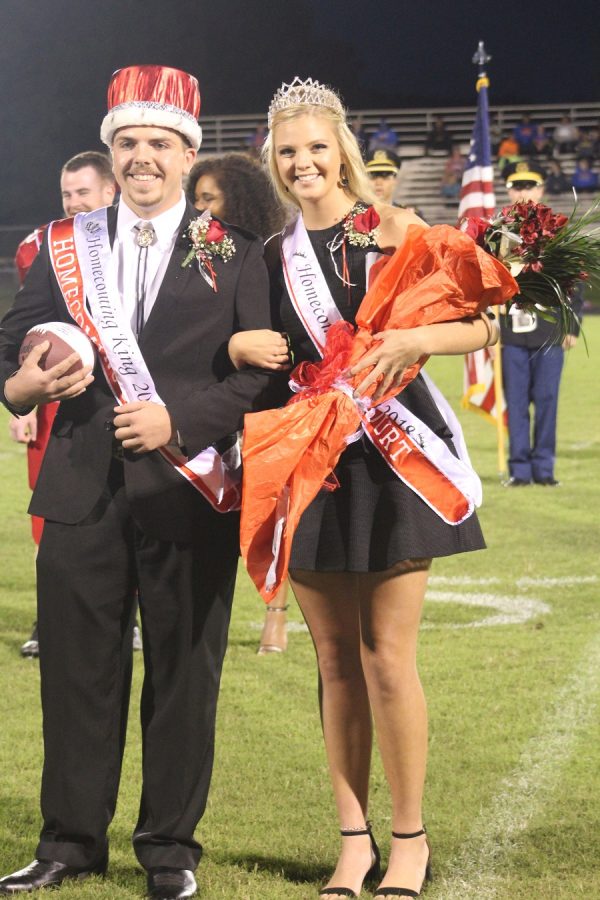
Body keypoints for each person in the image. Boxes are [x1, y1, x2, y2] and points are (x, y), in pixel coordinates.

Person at [0, 65, 280, 899]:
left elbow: (263, 374)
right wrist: (18, 386)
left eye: (159, 143)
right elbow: (14, 337)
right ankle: (69, 843)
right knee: (77, 674)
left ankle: (169, 849)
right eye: (127, 142)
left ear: (189, 155)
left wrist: (179, 421)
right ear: (110, 149)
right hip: (81, 487)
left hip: (188, 487)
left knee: (183, 676)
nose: (141, 157)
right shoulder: (63, 242)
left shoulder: (236, 251)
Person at [228, 76, 500, 900]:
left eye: (316, 147)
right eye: (288, 152)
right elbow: (242, 349)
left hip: (392, 455)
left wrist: (416, 333)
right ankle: (354, 840)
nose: (304, 162)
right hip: (309, 456)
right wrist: (243, 343)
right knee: (335, 662)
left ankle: (409, 840)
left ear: (341, 147)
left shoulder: (397, 229)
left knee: (388, 660)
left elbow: (484, 318)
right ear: (272, 163)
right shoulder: (270, 255)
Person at [10, 151, 118, 658]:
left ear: (109, 192)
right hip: (58, 396)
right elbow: (28, 335)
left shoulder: (140, 241)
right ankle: (48, 614)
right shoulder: (43, 246)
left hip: (125, 398)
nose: (74, 204)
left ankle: (128, 611)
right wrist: (25, 403)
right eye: (67, 195)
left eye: (84, 193)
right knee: (50, 504)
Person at [186, 152, 291, 655]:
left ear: (241, 199)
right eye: (195, 199)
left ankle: (277, 611)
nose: (198, 209)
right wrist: (229, 348)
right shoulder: (194, 254)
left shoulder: (272, 252)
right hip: (217, 399)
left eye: (209, 198)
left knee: (277, 502)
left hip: (271, 395)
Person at [500, 161, 583, 488]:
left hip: (549, 331)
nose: (523, 192)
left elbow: (573, 281)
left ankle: (544, 469)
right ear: (509, 190)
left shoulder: (557, 230)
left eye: (528, 185)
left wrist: (572, 326)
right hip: (511, 332)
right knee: (517, 404)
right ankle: (520, 470)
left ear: (541, 189)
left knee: (547, 402)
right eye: (516, 185)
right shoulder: (497, 231)